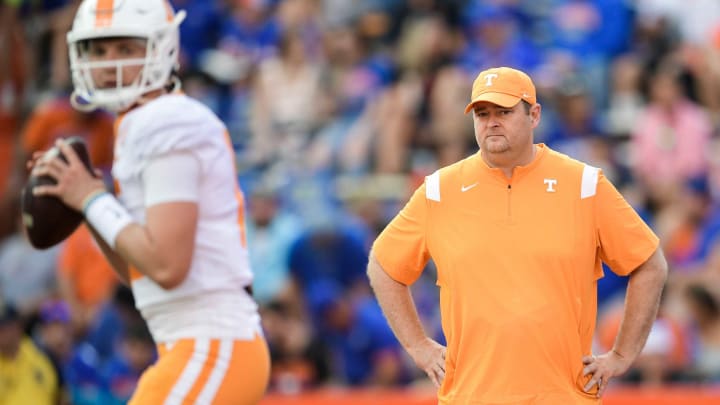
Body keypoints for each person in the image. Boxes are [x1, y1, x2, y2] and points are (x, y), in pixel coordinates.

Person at [366, 66, 668, 404]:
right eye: (482, 113)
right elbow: (383, 266)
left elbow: (649, 264)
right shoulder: (439, 191)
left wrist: (622, 354)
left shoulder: (583, 185)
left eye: (504, 112)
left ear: (534, 114)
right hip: (471, 396)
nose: (492, 121)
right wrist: (418, 346)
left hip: (562, 397)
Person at [29, 0, 269, 404]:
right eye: (99, 49)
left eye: (125, 48)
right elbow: (141, 272)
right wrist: (88, 206)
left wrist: (91, 199)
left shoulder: (165, 121)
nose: (109, 63)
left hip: (210, 348)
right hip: (197, 347)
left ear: (161, 49)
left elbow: (167, 266)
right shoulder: (141, 123)